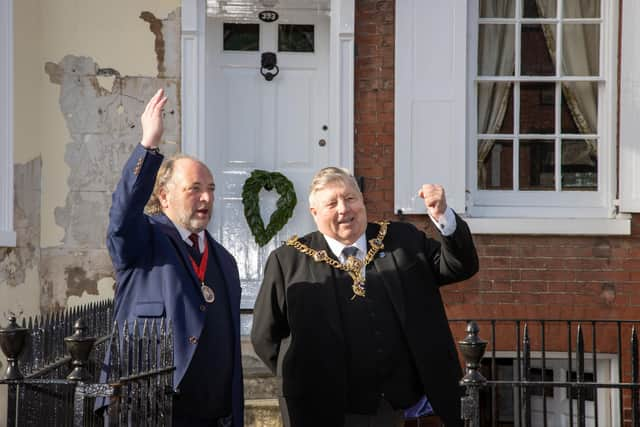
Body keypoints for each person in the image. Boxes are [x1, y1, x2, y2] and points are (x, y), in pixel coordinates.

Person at [251, 167, 479, 427]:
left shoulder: (401, 240)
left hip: (389, 407)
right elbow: (264, 336)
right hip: (318, 408)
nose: (343, 209)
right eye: (331, 203)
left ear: (362, 201)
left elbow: (460, 266)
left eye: (350, 199)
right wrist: (300, 377)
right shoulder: (288, 260)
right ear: (314, 213)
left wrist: (443, 216)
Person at [106, 88, 243, 427]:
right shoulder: (145, 239)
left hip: (210, 414)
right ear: (164, 197)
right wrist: (148, 146)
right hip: (149, 409)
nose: (205, 197)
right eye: (194, 188)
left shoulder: (224, 260)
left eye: (210, 188)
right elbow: (121, 217)